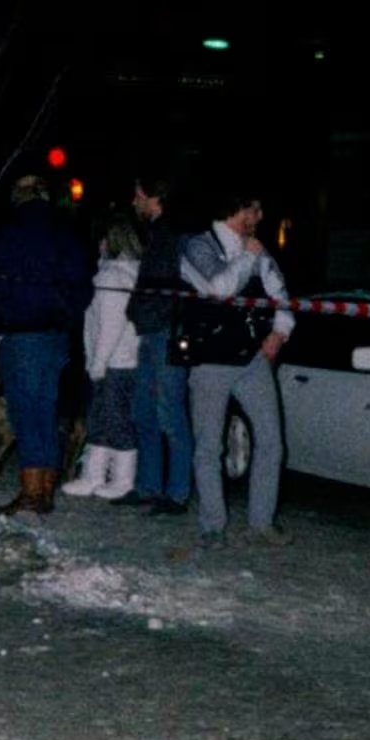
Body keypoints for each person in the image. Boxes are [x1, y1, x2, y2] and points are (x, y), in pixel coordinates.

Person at [179, 190, 295, 546]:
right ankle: (213, 527)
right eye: (255, 209)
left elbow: (280, 293)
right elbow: (219, 288)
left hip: (253, 357)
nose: (260, 216)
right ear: (238, 209)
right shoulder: (196, 246)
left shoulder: (256, 248)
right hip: (211, 360)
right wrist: (247, 257)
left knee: (272, 442)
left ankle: (261, 523)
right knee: (209, 446)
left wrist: (280, 330)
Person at [0, 174, 91, 514]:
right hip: (55, 334)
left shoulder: (6, 233)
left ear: (18, 196)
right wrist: (67, 318)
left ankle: (31, 489)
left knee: (24, 413)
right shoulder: (65, 232)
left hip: (20, 333)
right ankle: (46, 490)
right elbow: (83, 286)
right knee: (46, 409)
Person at [119, 173, 192, 514]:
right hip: (152, 331)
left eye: (138, 194)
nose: (134, 202)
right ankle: (148, 485)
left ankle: (177, 493)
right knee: (143, 411)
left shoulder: (172, 234)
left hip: (165, 332)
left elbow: (170, 288)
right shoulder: (158, 234)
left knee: (170, 413)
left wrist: (143, 310)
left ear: (153, 196)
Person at [62, 215, 142, 499]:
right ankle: (96, 474)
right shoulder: (129, 273)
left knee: (111, 418)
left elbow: (110, 324)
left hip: (114, 361)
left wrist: (97, 363)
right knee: (106, 417)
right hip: (124, 359)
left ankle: (119, 478)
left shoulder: (112, 276)